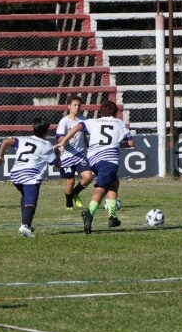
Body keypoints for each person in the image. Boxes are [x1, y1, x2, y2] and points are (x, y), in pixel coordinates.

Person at [55, 100, 133, 234]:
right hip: (109, 160)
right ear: (115, 113)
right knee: (102, 188)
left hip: (93, 159)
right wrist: (118, 145)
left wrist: (64, 141)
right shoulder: (120, 124)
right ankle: (89, 213)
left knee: (114, 183)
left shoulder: (93, 122)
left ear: (101, 111)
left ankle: (112, 217)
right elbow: (131, 143)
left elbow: (77, 127)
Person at [0, 118, 59, 238]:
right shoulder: (47, 145)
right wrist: (59, 153)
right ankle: (25, 226)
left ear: (33, 129)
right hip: (31, 175)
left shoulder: (23, 139)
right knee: (31, 202)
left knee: (25, 196)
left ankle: (26, 223)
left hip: (16, 174)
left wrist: (1, 156)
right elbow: (57, 164)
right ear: (46, 132)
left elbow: (6, 141)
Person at [55, 95, 94, 210]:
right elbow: (59, 138)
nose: (77, 107)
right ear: (68, 106)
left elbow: (85, 136)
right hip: (67, 155)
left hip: (80, 154)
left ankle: (75, 193)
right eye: (74, 105)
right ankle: (69, 203)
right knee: (70, 180)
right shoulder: (64, 122)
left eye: (79, 105)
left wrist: (89, 147)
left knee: (88, 177)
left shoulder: (83, 120)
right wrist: (67, 139)